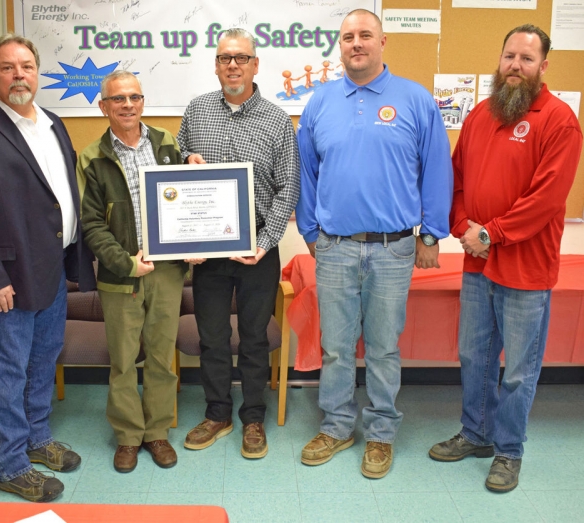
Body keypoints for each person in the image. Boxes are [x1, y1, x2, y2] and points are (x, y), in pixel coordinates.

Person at [0, 34, 96, 502]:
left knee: (43, 361)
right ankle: (10, 464)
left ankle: (37, 438)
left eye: (26, 66)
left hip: (51, 271)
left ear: (38, 71)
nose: (18, 75)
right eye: (7, 67)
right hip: (5, 279)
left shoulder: (53, 123)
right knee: (7, 371)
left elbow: (57, 196)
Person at [295, 9, 453, 478]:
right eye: (348, 37)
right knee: (337, 346)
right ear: (339, 46)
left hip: (394, 249)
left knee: (383, 347)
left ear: (383, 42)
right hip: (335, 248)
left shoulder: (415, 100)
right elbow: (307, 175)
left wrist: (430, 233)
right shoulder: (320, 102)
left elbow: (437, 170)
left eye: (365, 35)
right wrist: (310, 234)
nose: (356, 43)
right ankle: (339, 425)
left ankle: (381, 433)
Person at [429, 25, 582, 492]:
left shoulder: (559, 120)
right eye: (509, 56)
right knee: (474, 357)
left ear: (543, 67)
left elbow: (547, 200)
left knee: (518, 369)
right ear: (500, 59)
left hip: (526, 271)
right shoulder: (478, 116)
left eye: (527, 59)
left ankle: (509, 451)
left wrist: (490, 234)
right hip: (478, 265)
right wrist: (463, 230)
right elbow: (455, 182)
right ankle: (476, 434)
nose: (516, 65)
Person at [177, 28, 300, 459]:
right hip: (207, 253)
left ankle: (252, 418)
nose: (233, 64)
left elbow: (289, 189)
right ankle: (217, 413)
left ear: (255, 65)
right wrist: (184, 159)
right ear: (215, 64)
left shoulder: (277, 119)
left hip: (258, 251)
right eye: (225, 57)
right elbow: (173, 173)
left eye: (241, 57)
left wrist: (264, 243)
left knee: (252, 338)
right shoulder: (195, 111)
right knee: (211, 337)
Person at [77, 70, 197, 473]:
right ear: (103, 106)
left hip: (166, 273)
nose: (127, 105)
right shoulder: (92, 156)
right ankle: (128, 436)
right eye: (117, 99)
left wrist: (195, 244)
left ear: (143, 102)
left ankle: (157, 433)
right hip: (120, 276)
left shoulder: (166, 143)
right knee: (124, 361)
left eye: (134, 97)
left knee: (162, 359)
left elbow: (185, 201)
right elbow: (91, 224)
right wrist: (126, 262)